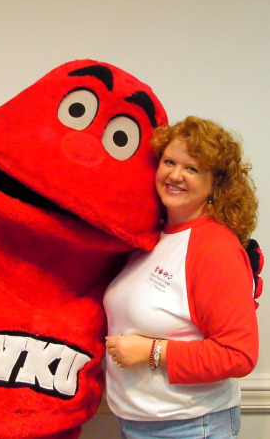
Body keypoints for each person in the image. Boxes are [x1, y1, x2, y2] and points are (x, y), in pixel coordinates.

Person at [104, 116, 259, 438]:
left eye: (192, 168)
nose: (175, 175)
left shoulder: (214, 247)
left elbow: (238, 354)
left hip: (190, 425)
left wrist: (153, 351)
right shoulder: (149, 239)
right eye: (170, 162)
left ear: (215, 183)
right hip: (137, 420)